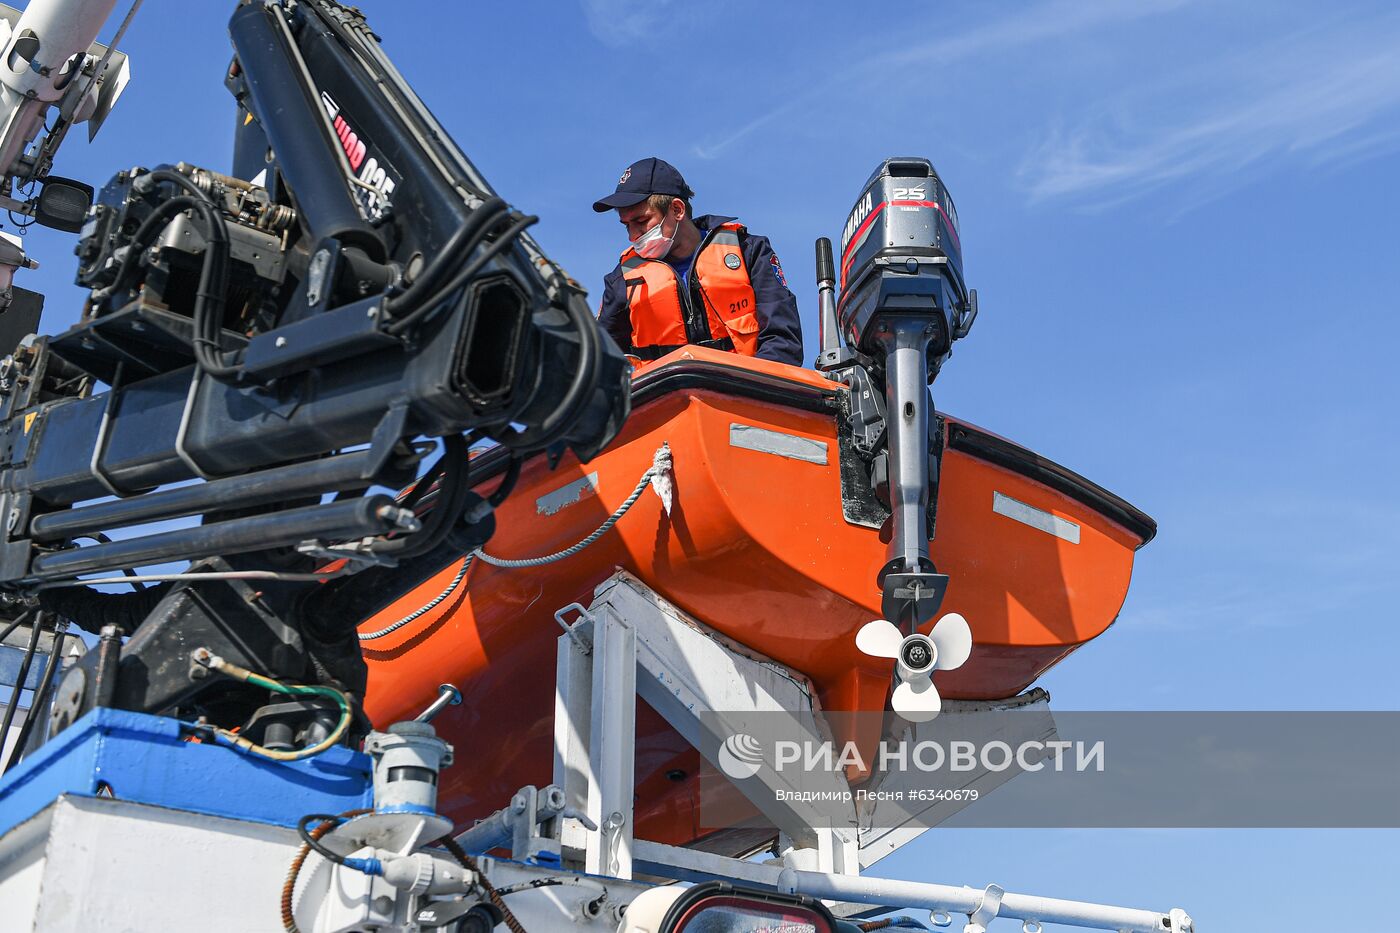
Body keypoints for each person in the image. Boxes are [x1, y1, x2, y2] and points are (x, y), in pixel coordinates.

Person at [592, 157, 803, 366]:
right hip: (663, 398)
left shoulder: (748, 251)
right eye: (626, 225)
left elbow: (783, 342)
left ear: (677, 210)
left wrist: (745, 390)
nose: (633, 236)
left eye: (641, 221)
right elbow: (599, 360)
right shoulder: (622, 279)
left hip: (747, 394)